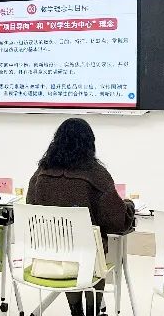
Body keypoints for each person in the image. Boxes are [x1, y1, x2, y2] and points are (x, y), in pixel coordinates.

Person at [27, 118, 135, 316]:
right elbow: (115, 222)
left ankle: (75, 311)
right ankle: (93, 311)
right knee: (91, 253)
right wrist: (129, 207)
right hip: (88, 258)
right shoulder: (97, 175)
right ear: (89, 143)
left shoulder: (41, 173)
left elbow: (31, 206)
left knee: (73, 252)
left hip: (50, 255)